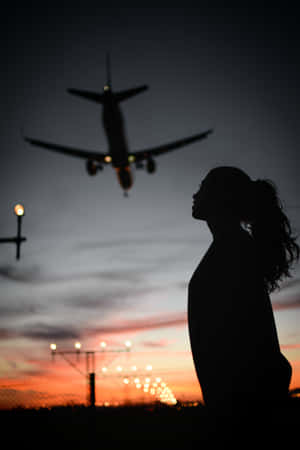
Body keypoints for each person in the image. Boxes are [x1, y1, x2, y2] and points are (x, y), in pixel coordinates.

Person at [188, 166, 299, 437]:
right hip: (240, 409)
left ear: (219, 198)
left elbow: (248, 341)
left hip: (244, 415)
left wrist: (233, 414)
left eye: (202, 187)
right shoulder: (233, 246)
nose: (194, 194)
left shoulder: (234, 251)